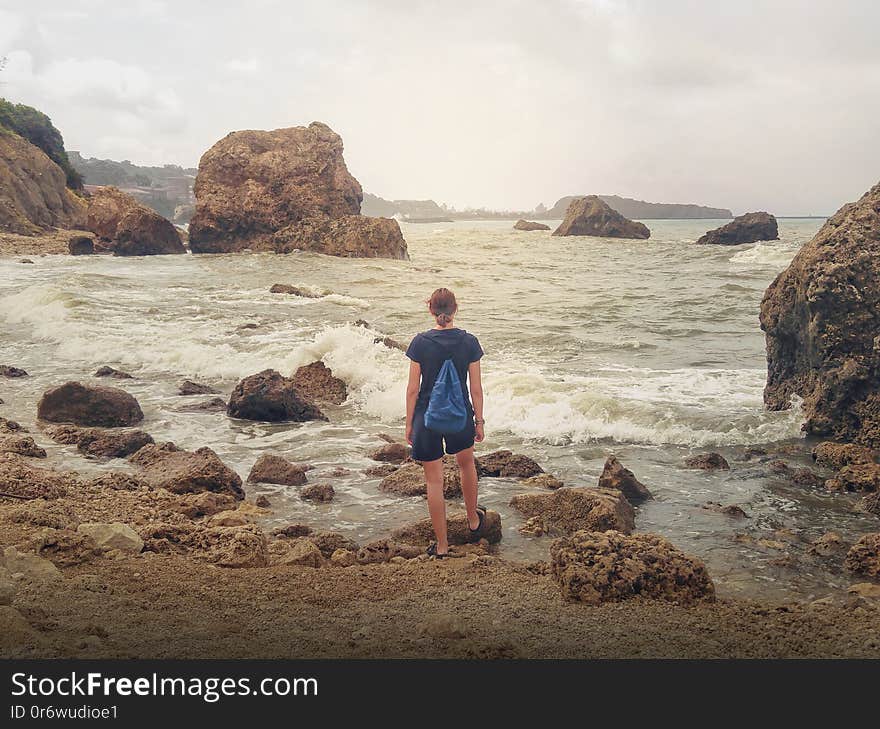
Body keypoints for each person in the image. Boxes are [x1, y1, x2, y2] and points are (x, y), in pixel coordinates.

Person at [405, 288, 486, 558]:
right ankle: (473, 520)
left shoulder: (420, 342)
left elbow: (412, 390)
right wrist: (480, 421)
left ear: (430, 309)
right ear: (455, 309)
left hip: (426, 419)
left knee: (434, 482)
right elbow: (476, 389)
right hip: (460, 414)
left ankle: (441, 546)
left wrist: (409, 424)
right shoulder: (469, 342)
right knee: (466, 464)